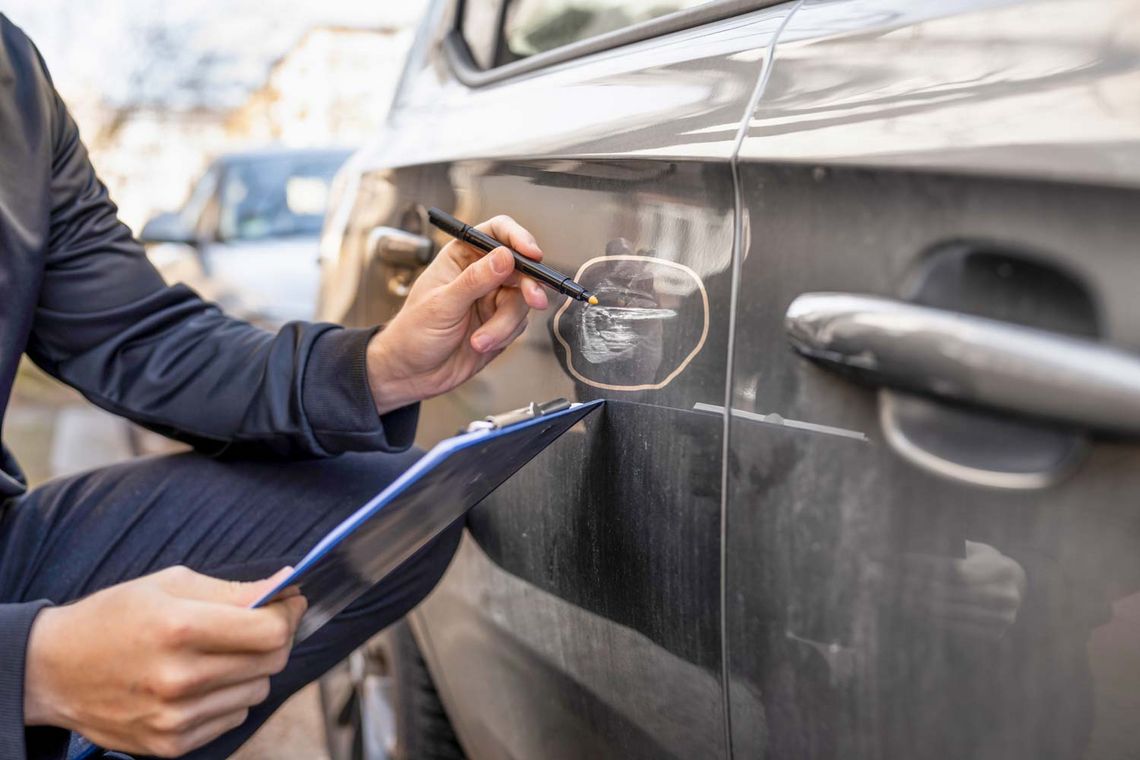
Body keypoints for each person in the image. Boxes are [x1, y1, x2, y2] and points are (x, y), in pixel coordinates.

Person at [0, 15, 550, 759]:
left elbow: (137, 335)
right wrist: (31, 669)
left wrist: (376, 369)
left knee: (387, 516)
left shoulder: (12, 79)